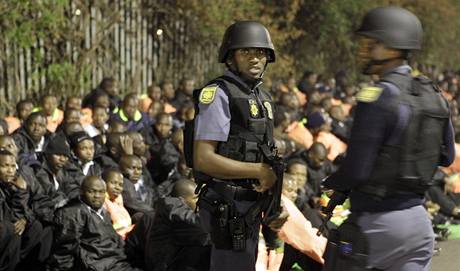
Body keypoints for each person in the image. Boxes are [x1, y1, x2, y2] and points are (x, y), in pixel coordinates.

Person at [322, 6, 455, 271]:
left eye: (370, 43)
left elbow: (357, 171)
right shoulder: (433, 93)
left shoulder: (376, 96)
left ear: (392, 48)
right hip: (418, 223)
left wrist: (331, 182)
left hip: (377, 224)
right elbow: (446, 156)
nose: (363, 49)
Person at [189, 21, 287, 271]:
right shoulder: (218, 93)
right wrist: (257, 172)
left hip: (252, 206)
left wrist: (276, 204)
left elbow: (265, 159)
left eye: (261, 52)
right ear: (230, 57)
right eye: (246, 52)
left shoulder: (262, 97)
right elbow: (204, 159)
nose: (255, 58)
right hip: (226, 208)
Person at [48, 176, 141, 271]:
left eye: (101, 192)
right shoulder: (74, 213)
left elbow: (115, 241)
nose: (97, 196)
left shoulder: (104, 213)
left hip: (117, 261)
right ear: (82, 192)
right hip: (97, 265)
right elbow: (65, 251)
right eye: (92, 191)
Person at [125, 178, 211, 271]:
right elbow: (201, 226)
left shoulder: (170, 212)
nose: (200, 202)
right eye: (196, 198)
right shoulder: (173, 210)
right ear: (181, 200)